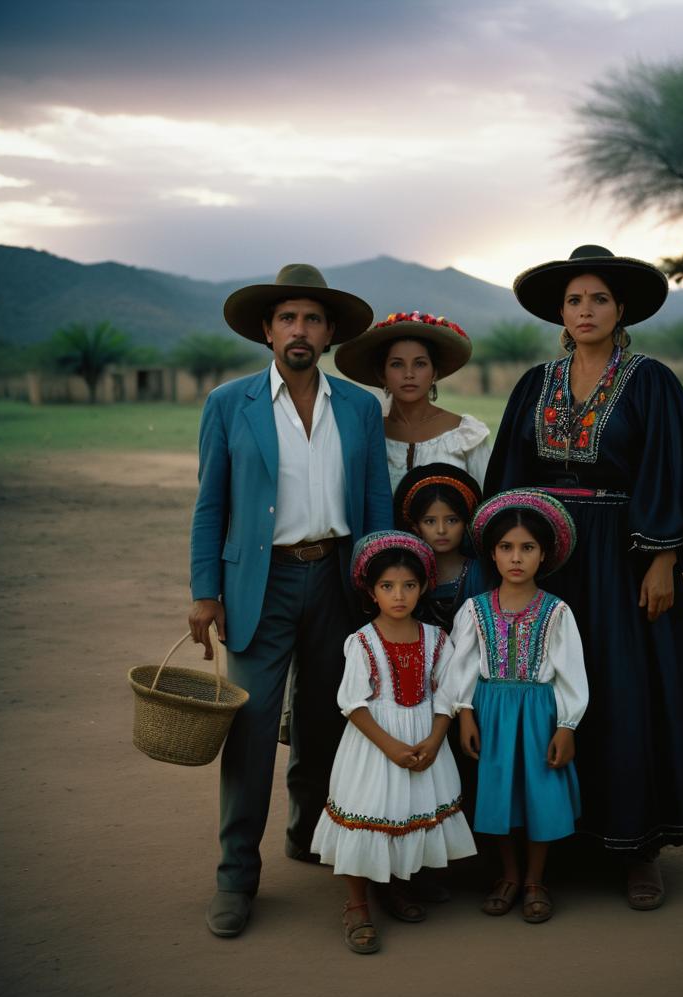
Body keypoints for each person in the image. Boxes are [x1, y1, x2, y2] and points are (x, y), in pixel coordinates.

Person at [485, 245, 683, 910]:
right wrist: (508, 561)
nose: (585, 310)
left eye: (597, 298)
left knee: (627, 689)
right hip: (547, 562)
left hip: (626, 560)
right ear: (560, 314)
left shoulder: (652, 382)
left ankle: (638, 845)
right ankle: (552, 840)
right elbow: (509, 478)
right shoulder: (535, 385)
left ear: (622, 309)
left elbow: (672, 475)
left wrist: (663, 561)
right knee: (547, 690)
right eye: (574, 300)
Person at [188, 263, 393, 938]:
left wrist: (381, 582)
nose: (298, 330)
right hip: (260, 581)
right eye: (286, 318)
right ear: (267, 332)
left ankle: (309, 834)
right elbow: (211, 503)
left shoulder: (360, 407)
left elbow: (374, 503)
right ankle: (234, 878)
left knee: (327, 719)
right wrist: (204, 592)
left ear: (330, 332)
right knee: (251, 730)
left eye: (311, 318)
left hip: (340, 574)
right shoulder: (230, 404)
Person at [310, 531, 476, 954]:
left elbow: (447, 693)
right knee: (370, 814)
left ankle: (396, 888)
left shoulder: (437, 639)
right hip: (374, 745)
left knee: (406, 812)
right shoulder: (361, 642)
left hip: (425, 739)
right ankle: (357, 904)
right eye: (387, 586)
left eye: (408, 586)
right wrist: (390, 747)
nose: (399, 595)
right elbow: (351, 701)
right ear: (371, 590)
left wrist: (436, 740)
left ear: (422, 588)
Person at [443, 489, 588, 924]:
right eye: (506, 547)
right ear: (493, 553)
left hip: (541, 714)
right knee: (499, 793)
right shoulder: (474, 610)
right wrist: (464, 711)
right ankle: (507, 874)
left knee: (540, 794)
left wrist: (567, 725)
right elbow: (459, 665)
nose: (516, 558)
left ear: (544, 555)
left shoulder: (557, 612)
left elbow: (571, 674)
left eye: (527, 548)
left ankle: (535, 880)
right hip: (491, 712)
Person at [334, 310, 491, 490]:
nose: (409, 374)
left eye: (420, 363)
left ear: (435, 372)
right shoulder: (368, 434)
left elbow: (488, 506)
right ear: (382, 374)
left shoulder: (466, 436)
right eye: (397, 364)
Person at [392, 462, 486, 632]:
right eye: (430, 521)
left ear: (466, 523)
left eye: (452, 520)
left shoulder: (481, 575)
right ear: (416, 527)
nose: (441, 530)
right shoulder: (408, 575)